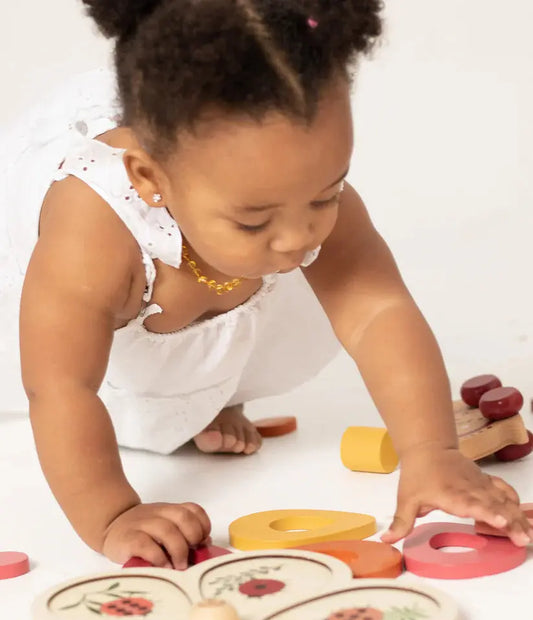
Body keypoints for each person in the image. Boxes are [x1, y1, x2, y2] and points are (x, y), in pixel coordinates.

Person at [1, 0, 530, 570]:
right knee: (78, 364)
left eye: (327, 194)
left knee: (316, 276)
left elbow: (378, 309)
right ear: (151, 179)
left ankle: (205, 397)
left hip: (198, 270)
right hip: (83, 321)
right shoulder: (93, 234)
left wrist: (433, 452)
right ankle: (176, 405)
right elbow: (62, 387)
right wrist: (111, 515)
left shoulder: (285, 187)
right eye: (254, 221)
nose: (299, 238)